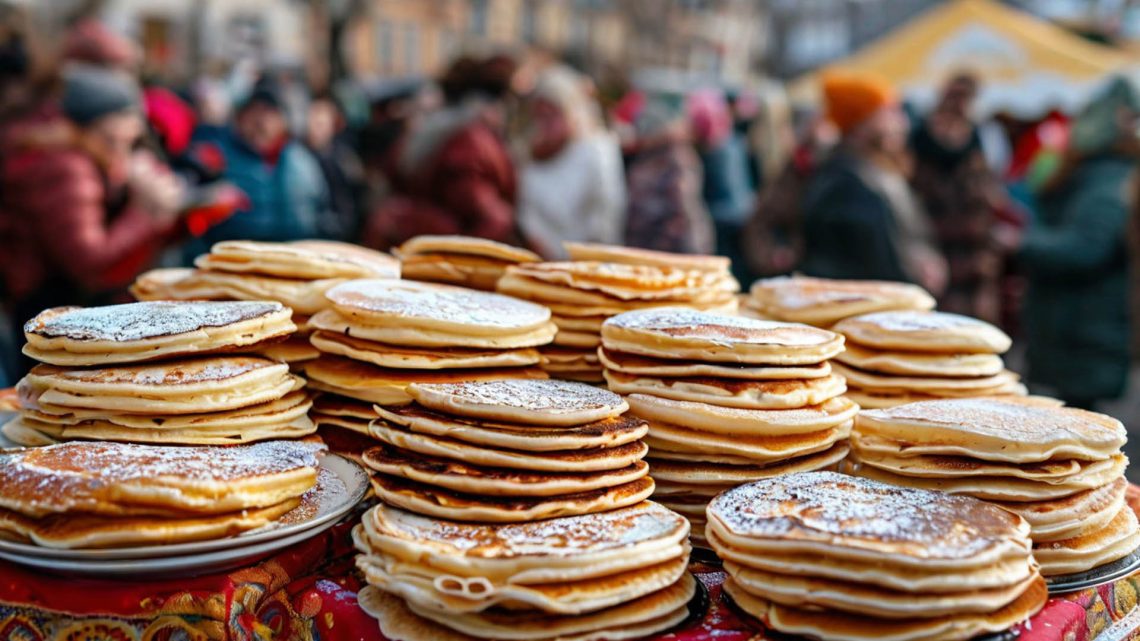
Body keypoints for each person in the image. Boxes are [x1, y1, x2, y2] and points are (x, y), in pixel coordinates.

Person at [0, 66, 183, 372]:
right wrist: (143, 212)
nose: (123, 151)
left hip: (52, 306)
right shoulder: (67, 168)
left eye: (130, 141)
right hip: (48, 311)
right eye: (115, 139)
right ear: (88, 127)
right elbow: (87, 261)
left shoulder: (75, 156)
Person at [1012, 77, 1140, 409]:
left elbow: (1085, 248)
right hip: (1078, 328)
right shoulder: (1103, 173)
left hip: (1086, 329)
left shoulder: (1109, 179)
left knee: (1080, 439)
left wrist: (1021, 242)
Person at [799, 70, 946, 294]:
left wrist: (925, 259)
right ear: (861, 122)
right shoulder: (844, 180)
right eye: (888, 112)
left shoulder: (881, 168)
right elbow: (868, 264)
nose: (900, 122)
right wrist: (912, 275)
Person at [363, 54, 518, 250]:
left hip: (409, 250)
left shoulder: (426, 129)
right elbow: (493, 218)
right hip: (436, 257)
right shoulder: (470, 141)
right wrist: (463, 264)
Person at [183, 77, 329, 258]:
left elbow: (321, 210)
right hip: (227, 258)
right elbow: (183, 196)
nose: (261, 122)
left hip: (291, 257)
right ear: (241, 116)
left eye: (271, 113)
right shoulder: (214, 151)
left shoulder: (301, 161)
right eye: (255, 111)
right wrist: (206, 197)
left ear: (284, 122)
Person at [910, 73, 1010, 323]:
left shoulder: (978, 145)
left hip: (975, 269)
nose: (960, 105)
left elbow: (990, 201)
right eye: (955, 97)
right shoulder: (920, 143)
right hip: (937, 262)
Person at [517, 65, 625, 259]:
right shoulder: (530, 155)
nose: (545, 123)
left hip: (584, 264)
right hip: (538, 261)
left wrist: (583, 258)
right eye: (540, 115)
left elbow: (605, 216)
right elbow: (526, 210)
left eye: (553, 114)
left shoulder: (597, 151)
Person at [622, 101, 714, 255]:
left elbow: (682, 209)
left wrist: (660, 248)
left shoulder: (676, 157)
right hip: (647, 245)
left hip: (669, 250)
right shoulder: (651, 154)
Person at [688, 88, 754, 282]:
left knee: (722, 276)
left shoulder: (713, 150)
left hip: (721, 221)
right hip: (741, 214)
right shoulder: (735, 142)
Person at [305, 94, 365, 241]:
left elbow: (352, 199)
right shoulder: (297, 155)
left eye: (321, 123)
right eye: (313, 120)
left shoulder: (343, 158)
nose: (316, 127)